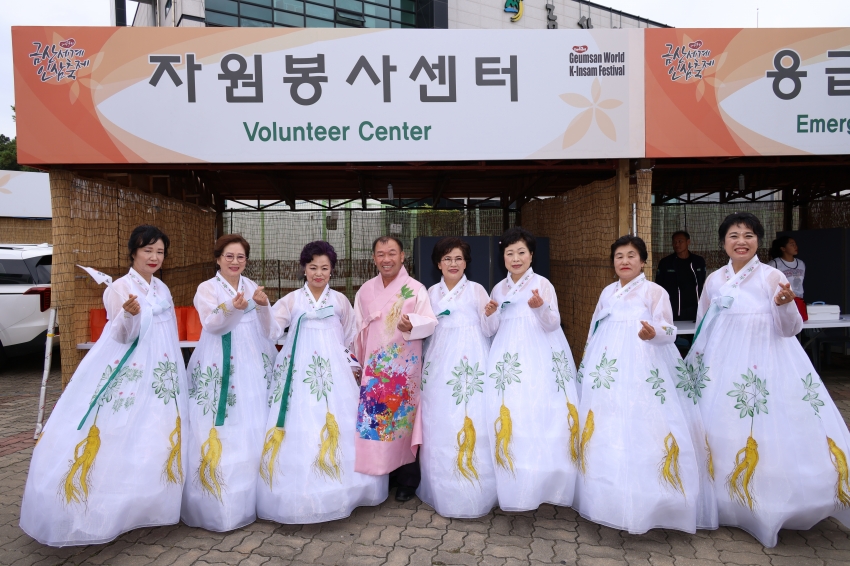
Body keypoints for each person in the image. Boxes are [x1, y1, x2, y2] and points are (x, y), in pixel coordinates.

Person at [685, 212, 850, 547]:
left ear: (758, 240)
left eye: (748, 235)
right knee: (722, 426)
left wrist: (786, 305)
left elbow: (791, 329)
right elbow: (704, 324)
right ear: (723, 243)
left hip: (768, 360)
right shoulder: (715, 280)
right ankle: (724, 500)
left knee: (768, 426)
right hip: (720, 363)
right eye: (733, 235)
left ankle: (772, 500)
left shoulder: (772, 276)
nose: (741, 241)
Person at [20, 225, 188, 546]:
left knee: (154, 433)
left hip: (160, 371)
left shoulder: (162, 289)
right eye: (147, 250)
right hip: (126, 370)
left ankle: (148, 505)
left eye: (159, 252)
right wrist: (127, 316)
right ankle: (99, 508)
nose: (153, 257)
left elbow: (168, 334)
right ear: (133, 252)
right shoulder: (119, 289)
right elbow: (121, 337)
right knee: (116, 432)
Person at [574, 235, 716, 534]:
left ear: (642, 261)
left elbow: (668, 329)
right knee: (607, 422)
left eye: (631, 256)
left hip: (645, 364)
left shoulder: (654, 292)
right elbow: (594, 329)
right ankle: (607, 497)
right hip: (608, 367)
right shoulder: (607, 293)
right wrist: (587, 364)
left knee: (647, 424)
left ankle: (655, 498)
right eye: (619, 257)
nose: (624, 261)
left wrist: (654, 334)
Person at [257, 241, 387, 523]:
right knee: (300, 422)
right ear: (303, 268)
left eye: (324, 268)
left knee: (339, 420)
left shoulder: (340, 301)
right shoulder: (291, 300)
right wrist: (262, 307)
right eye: (313, 267)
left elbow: (351, 336)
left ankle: (347, 490)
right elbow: (271, 330)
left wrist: (354, 366)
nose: (318, 273)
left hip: (335, 372)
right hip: (298, 372)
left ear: (332, 271)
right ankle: (298, 490)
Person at [181, 234, 277, 532]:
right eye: (229, 256)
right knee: (219, 423)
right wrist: (233, 308)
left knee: (255, 418)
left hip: (253, 354)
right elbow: (211, 324)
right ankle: (220, 499)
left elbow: (270, 329)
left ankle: (258, 496)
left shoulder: (252, 287)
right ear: (218, 258)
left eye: (241, 258)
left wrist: (262, 306)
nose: (235, 262)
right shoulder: (206, 288)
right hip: (219, 357)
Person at [483, 227, 578, 511]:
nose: (515, 258)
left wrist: (539, 308)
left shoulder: (543, 284)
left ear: (531, 255)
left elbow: (552, 323)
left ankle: (547, 484)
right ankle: (514, 478)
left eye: (521, 252)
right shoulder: (499, 288)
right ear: (503, 257)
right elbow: (490, 329)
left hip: (540, 353)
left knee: (542, 411)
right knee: (512, 411)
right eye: (510, 253)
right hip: (507, 356)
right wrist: (488, 314)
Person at [414, 237, 498, 518]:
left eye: (458, 259)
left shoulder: (476, 291)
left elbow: (489, 330)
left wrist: (489, 315)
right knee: (439, 419)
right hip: (438, 360)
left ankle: (476, 487)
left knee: (472, 414)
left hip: (472, 359)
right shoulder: (430, 293)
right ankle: (442, 490)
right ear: (438, 263)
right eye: (447, 259)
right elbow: (423, 329)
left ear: (466, 263)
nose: (453, 264)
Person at [352, 236, 437, 502]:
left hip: (402, 370)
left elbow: (430, 323)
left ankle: (407, 480)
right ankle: (380, 475)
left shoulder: (415, 288)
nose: (386, 259)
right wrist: (356, 362)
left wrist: (411, 327)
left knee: (401, 423)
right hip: (374, 369)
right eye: (380, 254)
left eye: (392, 253)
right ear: (374, 258)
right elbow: (356, 329)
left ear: (403, 257)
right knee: (376, 423)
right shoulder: (365, 290)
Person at [655, 231, 706, 321]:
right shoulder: (666, 262)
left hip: (695, 309)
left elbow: (702, 280)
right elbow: (659, 286)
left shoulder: (698, 261)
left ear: (688, 242)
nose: (677, 244)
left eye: (680, 241)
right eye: (674, 242)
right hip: (673, 309)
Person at [768, 236, 807, 320]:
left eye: (795, 244)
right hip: (783, 300)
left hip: (798, 299)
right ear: (783, 248)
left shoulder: (800, 263)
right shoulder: (774, 264)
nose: (795, 247)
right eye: (792, 245)